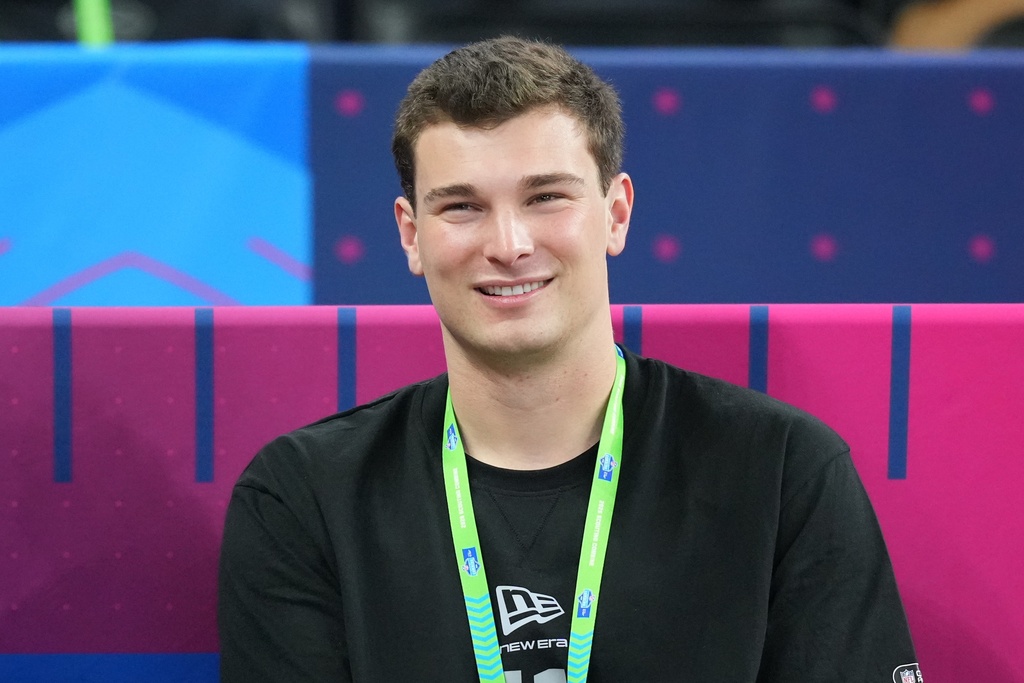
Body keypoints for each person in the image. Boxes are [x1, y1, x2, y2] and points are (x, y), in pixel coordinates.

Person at [218, 36, 920, 682]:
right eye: (461, 207)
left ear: (615, 213)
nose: (509, 243)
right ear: (411, 234)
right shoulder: (305, 497)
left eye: (546, 196)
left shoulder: (782, 470)